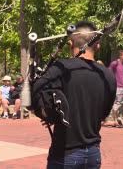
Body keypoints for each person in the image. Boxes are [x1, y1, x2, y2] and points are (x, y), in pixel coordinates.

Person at [32, 21, 116, 169]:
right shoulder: (108, 75)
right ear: (97, 45)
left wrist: (48, 114)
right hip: (93, 154)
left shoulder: (60, 68)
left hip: (65, 155)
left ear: (70, 43)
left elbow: (35, 94)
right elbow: (103, 114)